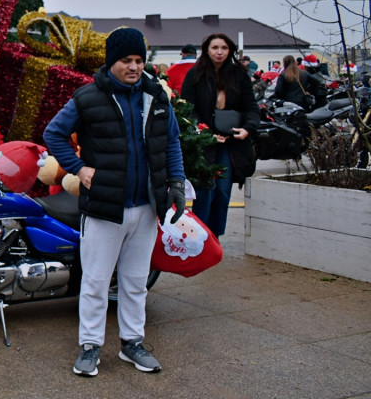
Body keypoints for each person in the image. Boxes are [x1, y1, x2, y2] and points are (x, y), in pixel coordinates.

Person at [43, 27, 186, 378]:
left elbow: (171, 144)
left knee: (135, 282)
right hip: (105, 209)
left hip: (146, 206)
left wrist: (177, 184)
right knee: (94, 281)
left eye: (139, 60)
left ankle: (132, 343)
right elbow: (53, 134)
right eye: (127, 61)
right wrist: (79, 168)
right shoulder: (87, 97)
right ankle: (90, 346)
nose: (134, 67)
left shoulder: (156, 96)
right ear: (112, 62)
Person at [180, 33, 259, 237]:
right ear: (207, 49)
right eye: (215, 47)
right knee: (205, 190)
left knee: (223, 191)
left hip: (230, 142)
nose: (219, 52)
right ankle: (199, 234)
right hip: (203, 142)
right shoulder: (195, 74)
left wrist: (247, 128)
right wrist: (204, 132)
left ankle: (214, 236)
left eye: (223, 47)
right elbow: (187, 108)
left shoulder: (239, 75)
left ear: (230, 50)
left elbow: (251, 106)